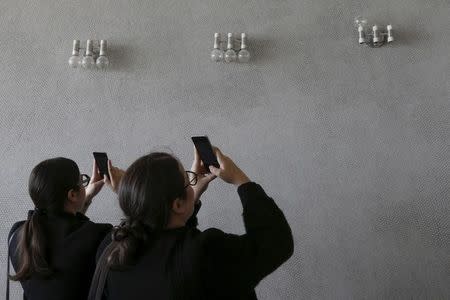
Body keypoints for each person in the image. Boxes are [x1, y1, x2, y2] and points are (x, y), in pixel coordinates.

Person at [90, 148, 294, 300]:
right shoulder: (206, 252)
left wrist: (190, 196)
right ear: (177, 204)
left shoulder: (111, 247)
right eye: (187, 182)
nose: (191, 183)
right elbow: (275, 242)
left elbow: (172, 244)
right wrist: (241, 180)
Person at [7, 157, 124, 300]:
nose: (84, 184)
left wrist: (85, 197)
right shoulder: (98, 236)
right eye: (81, 181)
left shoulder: (18, 234)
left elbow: (67, 235)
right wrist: (123, 189)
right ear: (72, 194)